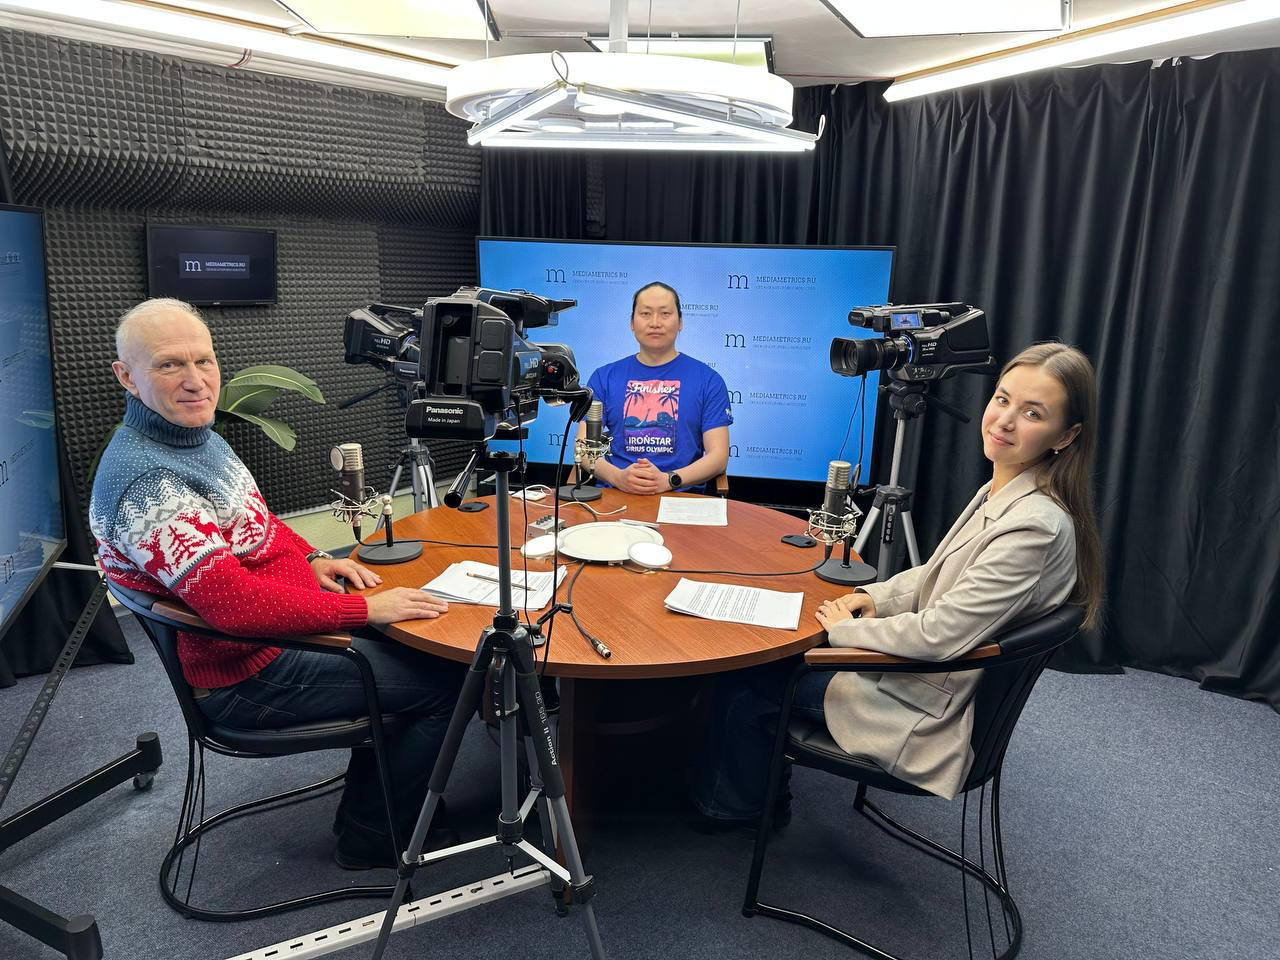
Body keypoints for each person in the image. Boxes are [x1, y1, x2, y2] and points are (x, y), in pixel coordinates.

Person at [90, 297, 463, 869]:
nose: (195, 380)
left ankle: (386, 802)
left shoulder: (194, 436)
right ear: (126, 377)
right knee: (448, 683)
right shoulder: (148, 482)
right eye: (169, 365)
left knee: (427, 649)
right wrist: (366, 612)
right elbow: (235, 607)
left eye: (204, 361)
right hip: (249, 673)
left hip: (275, 641)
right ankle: (374, 837)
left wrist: (312, 557)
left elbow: (256, 520)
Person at [693, 342, 1103, 824]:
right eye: (1002, 399)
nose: (1005, 421)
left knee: (743, 679)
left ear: (1066, 435)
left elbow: (940, 635)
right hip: (925, 678)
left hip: (920, 707)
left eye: (1032, 413)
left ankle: (732, 811)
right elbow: (936, 574)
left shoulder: (1034, 526)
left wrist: (846, 631)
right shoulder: (1009, 489)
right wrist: (873, 597)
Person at [579, 281, 732, 494]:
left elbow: (718, 457)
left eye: (665, 314)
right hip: (616, 494)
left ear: (680, 322)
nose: (655, 323)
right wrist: (618, 477)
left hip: (681, 496)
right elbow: (584, 449)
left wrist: (669, 480)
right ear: (632, 323)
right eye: (645, 314)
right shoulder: (604, 377)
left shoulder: (708, 380)